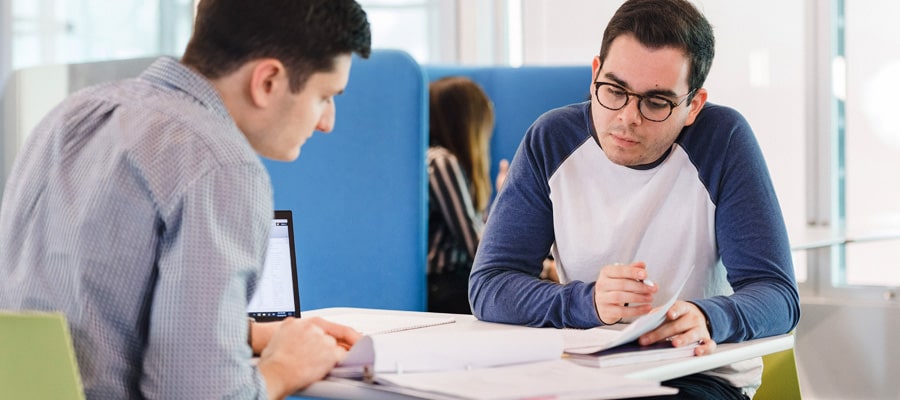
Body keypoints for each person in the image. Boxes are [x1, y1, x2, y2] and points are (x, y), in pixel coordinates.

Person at [0, 0, 371, 399]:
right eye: (324, 96)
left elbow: (88, 311)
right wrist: (284, 369)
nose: (327, 122)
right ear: (268, 81)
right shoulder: (220, 166)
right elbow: (197, 394)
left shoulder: (72, 114)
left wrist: (249, 334)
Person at [468, 0, 799, 398]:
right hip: (585, 370)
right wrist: (586, 302)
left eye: (656, 102)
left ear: (692, 105)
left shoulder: (723, 141)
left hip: (697, 374)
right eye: (615, 90)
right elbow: (489, 285)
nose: (628, 117)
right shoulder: (550, 140)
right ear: (595, 75)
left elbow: (777, 295)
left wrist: (706, 317)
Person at [426, 76, 497, 314]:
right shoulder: (441, 161)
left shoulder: (441, 160)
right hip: (445, 286)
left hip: (455, 282)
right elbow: (477, 246)